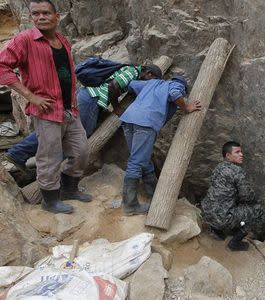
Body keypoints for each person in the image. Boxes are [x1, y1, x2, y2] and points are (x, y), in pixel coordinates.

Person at [0, 0, 90, 214]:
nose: (41, 17)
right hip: (46, 112)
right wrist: (31, 96)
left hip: (69, 109)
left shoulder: (62, 40)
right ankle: (49, 200)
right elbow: (2, 66)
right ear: (31, 17)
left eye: (46, 13)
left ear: (56, 16)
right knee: (49, 157)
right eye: (36, 14)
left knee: (81, 151)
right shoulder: (24, 40)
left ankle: (69, 189)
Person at [4, 63, 162, 171]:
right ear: (148, 73)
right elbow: (114, 86)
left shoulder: (133, 74)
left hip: (89, 98)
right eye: (153, 79)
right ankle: (21, 153)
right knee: (77, 134)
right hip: (91, 99)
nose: (151, 83)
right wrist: (117, 107)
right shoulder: (133, 71)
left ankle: (28, 156)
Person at [119, 75, 201, 215]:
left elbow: (131, 84)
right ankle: (130, 205)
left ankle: (152, 193)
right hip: (145, 122)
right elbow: (175, 93)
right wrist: (186, 107)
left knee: (141, 158)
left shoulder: (152, 83)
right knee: (137, 161)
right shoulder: (175, 85)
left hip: (128, 119)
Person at [201, 141, 265, 251]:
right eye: (237, 152)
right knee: (258, 210)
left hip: (207, 214)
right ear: (228, 155)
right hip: (223, 218)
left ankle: (217, 232)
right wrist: (256, 200)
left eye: (241, 152)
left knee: (224, 205)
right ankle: (235, 242)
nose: (241, 154)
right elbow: (246, 196)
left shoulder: (217, 168)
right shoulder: (237, 171)